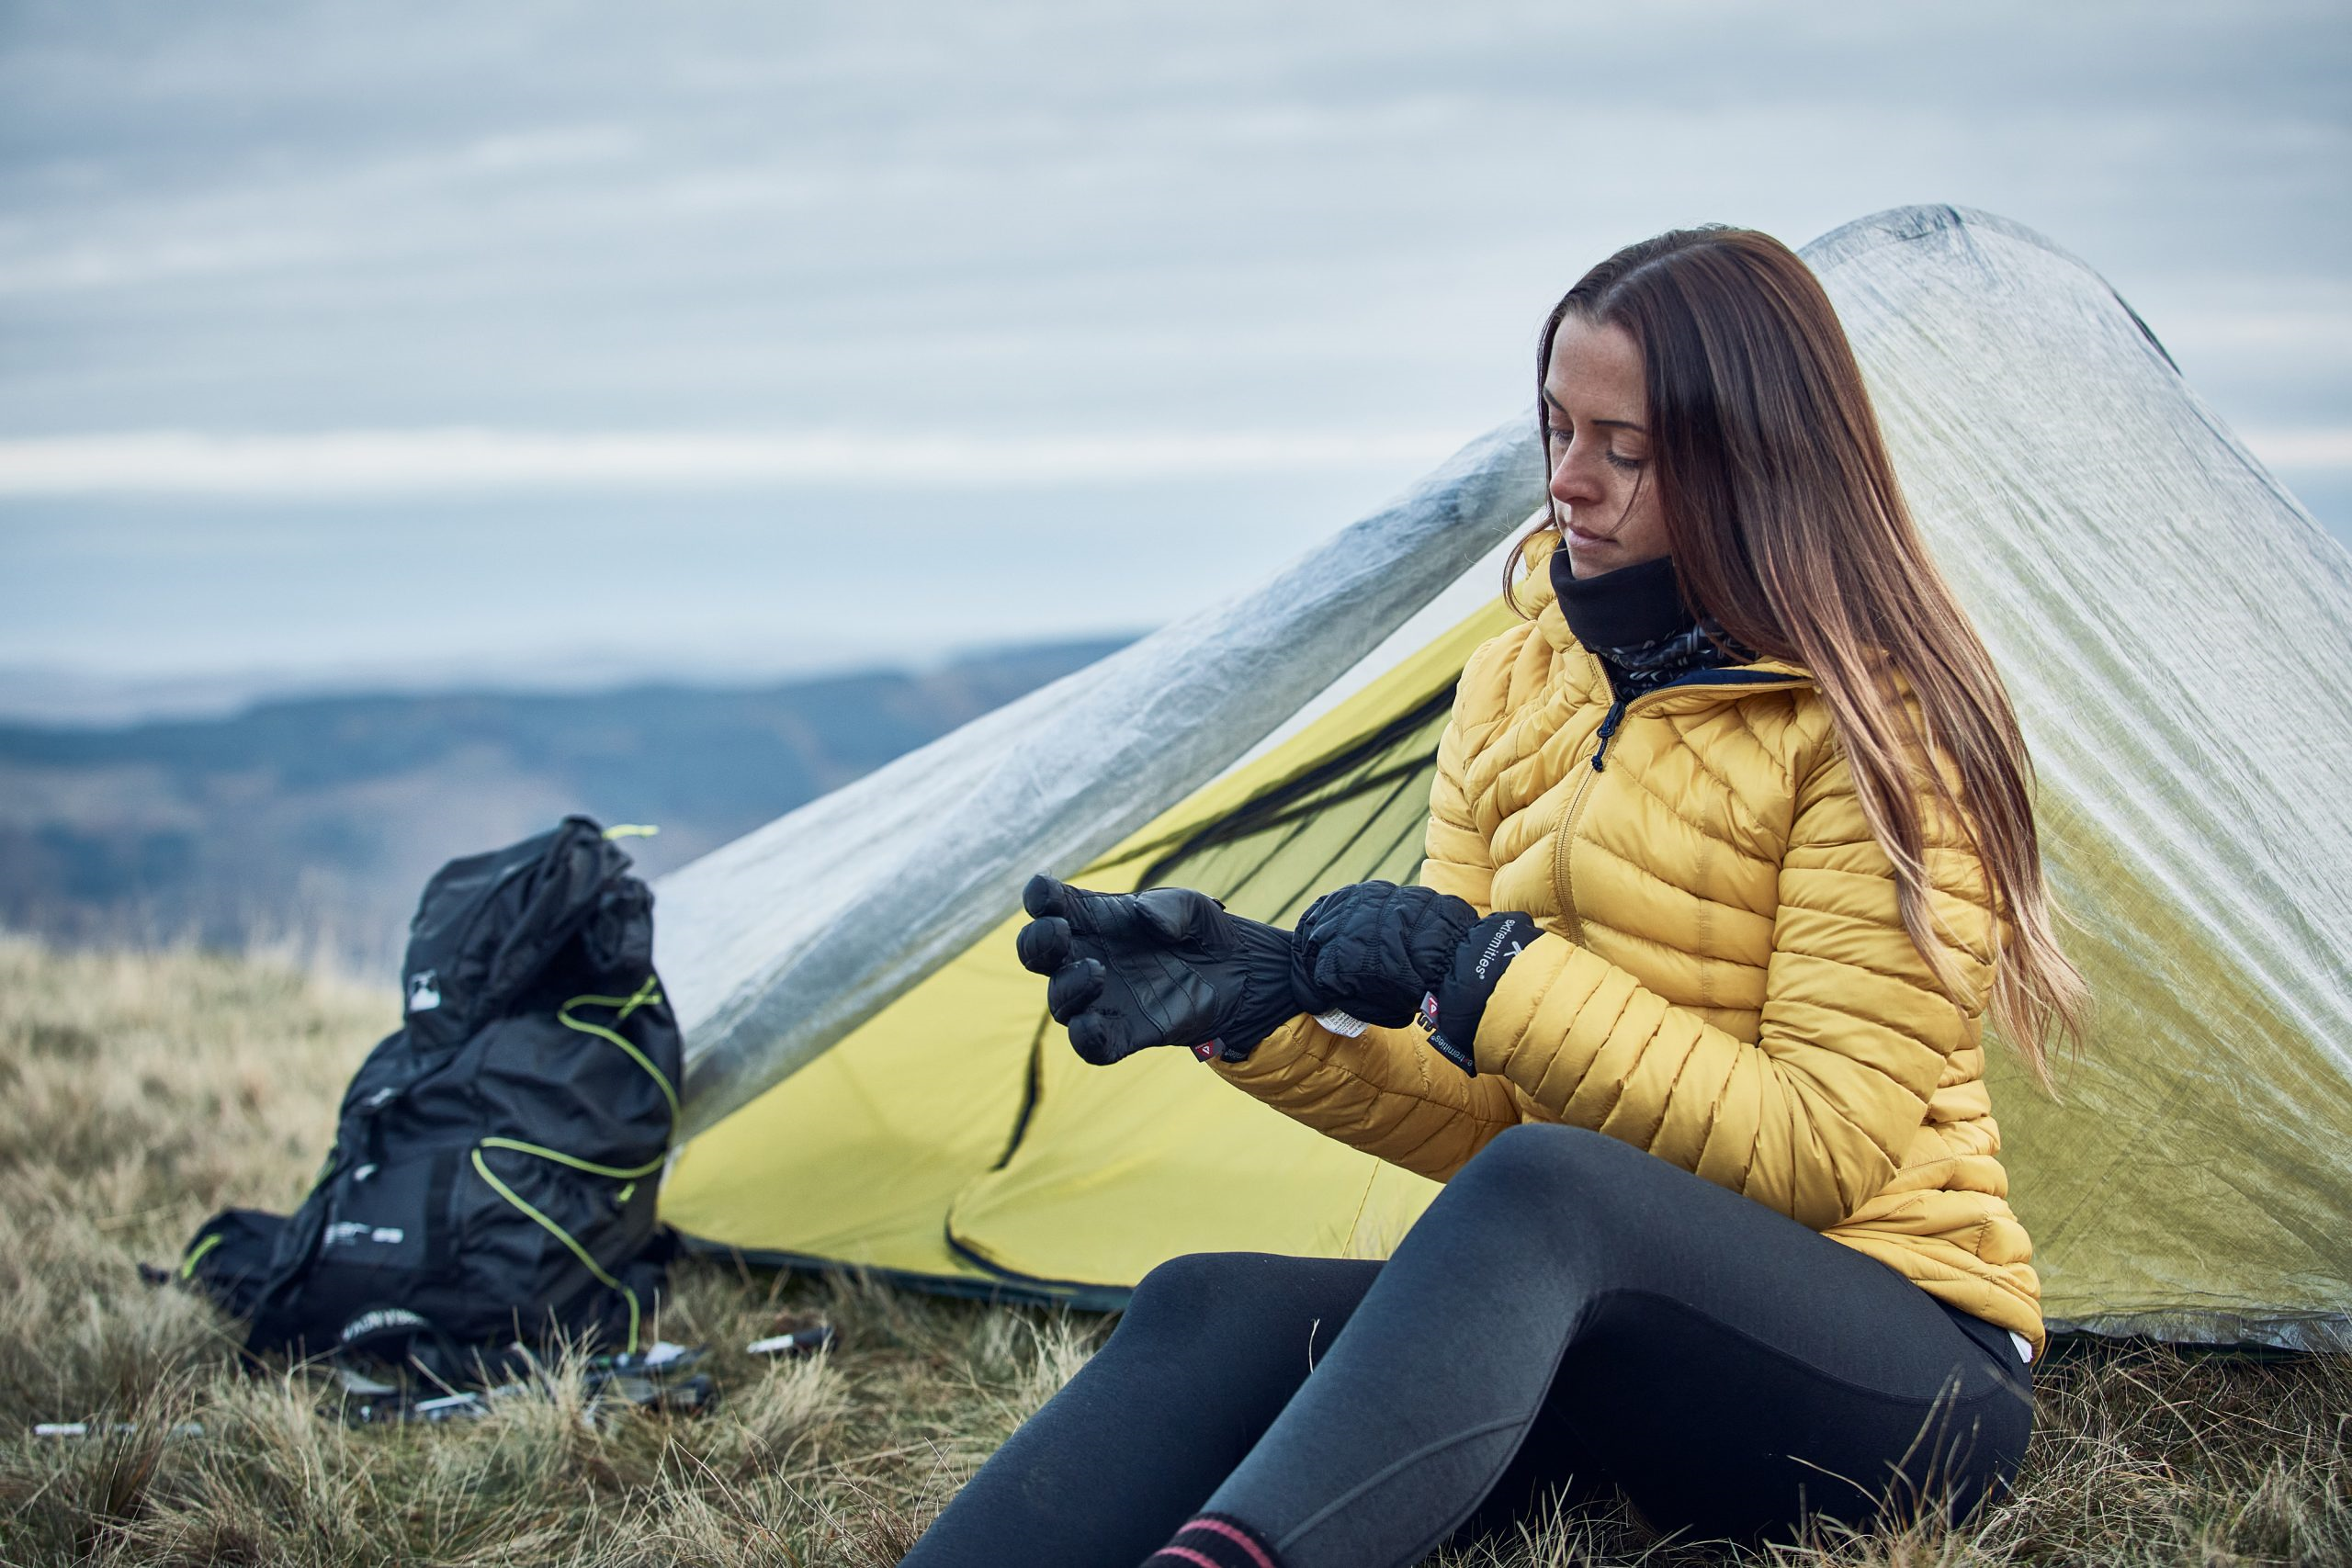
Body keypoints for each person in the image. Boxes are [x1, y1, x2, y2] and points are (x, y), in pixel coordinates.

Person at [899, 226, 2086, 1568]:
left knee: (1551, 1187)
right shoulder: (1517, 685)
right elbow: (1492, 1111)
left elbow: (1820, 1150)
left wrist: (1485, 972)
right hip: (1624, 1344)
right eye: (1554, 428)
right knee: (1206, 1305)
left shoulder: (1876, 727)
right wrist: (1269, 1004)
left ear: (1746, 459)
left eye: (1622, 448)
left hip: (1900, 1366)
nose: (1569, 482)